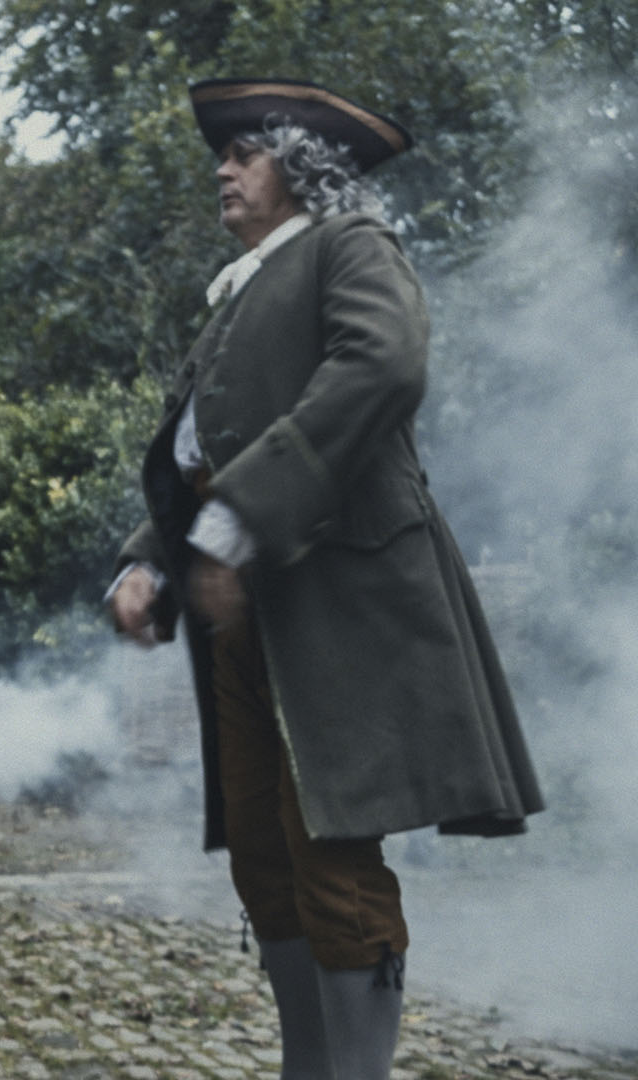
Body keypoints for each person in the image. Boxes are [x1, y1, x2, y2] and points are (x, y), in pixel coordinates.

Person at [107, 77, 543, 1080]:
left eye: (244, 153)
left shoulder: (350, 244)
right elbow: (200, 451)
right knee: (265, 854)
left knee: (331, 852)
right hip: (243, 602)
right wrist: (147, 559)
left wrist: (238, 519)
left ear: (302, 169)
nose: (222, 168)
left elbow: (383, 367)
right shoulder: (245, 286)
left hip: (338, 597)